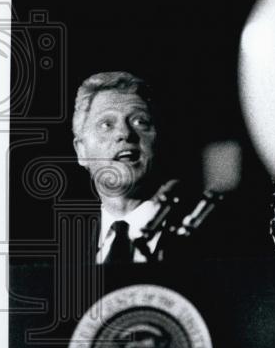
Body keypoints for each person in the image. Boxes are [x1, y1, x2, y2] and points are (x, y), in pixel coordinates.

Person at [72, 71, 222, 263]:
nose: (125, 133)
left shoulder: (212, 239)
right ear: (81, 151)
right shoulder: (62, 252)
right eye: (106, 124)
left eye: (140, 121)